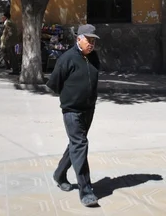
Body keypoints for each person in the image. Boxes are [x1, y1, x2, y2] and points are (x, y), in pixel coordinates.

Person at [47, 24, 101, 208]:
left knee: (76, 144)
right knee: (80, 145)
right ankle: (86, 191)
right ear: (79, 38)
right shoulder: (67, 58)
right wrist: (69, 98)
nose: (91, 44)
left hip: (89, 109)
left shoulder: (94, 57)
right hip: (71, 110)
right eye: (88, 40)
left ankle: (59, 174)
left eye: (94, 41)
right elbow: (54, 84)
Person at [0, 9, 19, 74]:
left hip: (9, 43)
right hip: (9, 43)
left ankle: (15, 69)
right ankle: (9, 67)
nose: (1, 18)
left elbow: (10, 33)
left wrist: (5, 40)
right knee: (5, 55)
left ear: (5, 17)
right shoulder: (9, 22)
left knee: (7, 55)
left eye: (2, 16)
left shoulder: (8, 23)